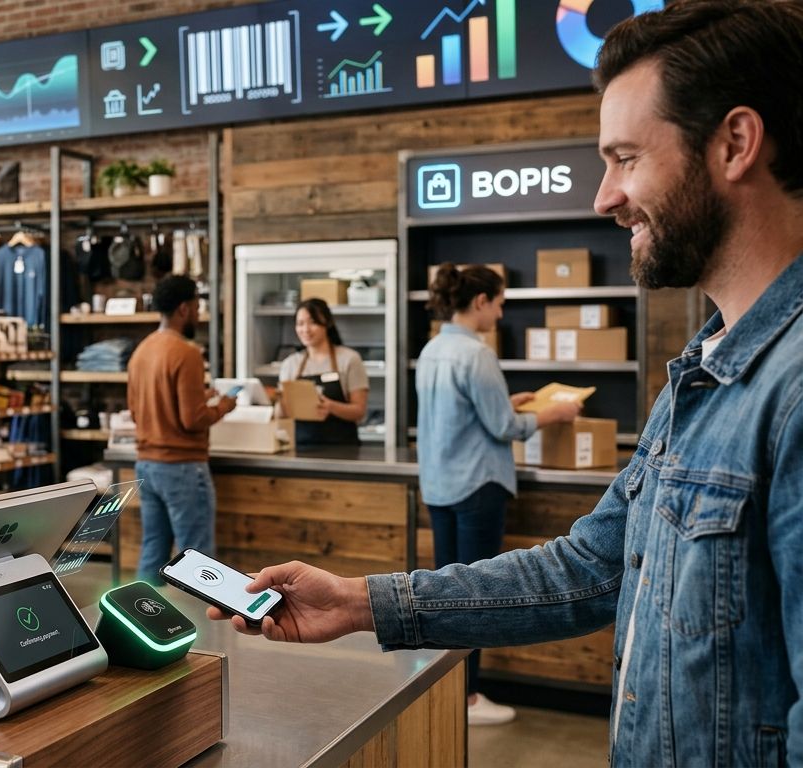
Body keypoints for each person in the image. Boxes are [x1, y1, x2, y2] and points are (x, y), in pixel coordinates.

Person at [208, 0, 803, 762]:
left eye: (625, 157)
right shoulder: (701, 372)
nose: (605, 197)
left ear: (736, 143)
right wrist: (358, 602)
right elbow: (587, 570)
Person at [416, 264, 580, 725]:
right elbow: (504, 428)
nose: (502, 312)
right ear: (481, 302)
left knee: (444, 592)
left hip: (440, 485)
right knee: (476, 595)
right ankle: (467, 699)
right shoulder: (477, 354)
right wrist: (557, 412)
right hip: (477, 486)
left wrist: (510, 402)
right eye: (501, 302)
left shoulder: (433, 349)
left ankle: (448, 691)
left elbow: (462, 415)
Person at [127, 275, 236, 583]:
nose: (199, 314)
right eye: (198, 306)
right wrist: (223, 407)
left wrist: (200, 399)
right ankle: (202, 627)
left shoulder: (141, 351)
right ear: (185, 309)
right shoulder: (187, 353)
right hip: (183, 468)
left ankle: (140, 621)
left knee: (152, 551)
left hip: (146, 466)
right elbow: (192, 420)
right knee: (198, 560)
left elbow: (138, 411)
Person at [277, 298, 369, 445]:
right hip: (300, 447)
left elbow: (359, 411)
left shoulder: (349, 359)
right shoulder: (290, 364)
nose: (305, 330)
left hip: (343, 449)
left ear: (327, 322)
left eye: (312, 322)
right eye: (300, 324)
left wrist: (331, 407)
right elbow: (281, 414)